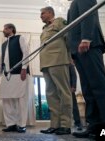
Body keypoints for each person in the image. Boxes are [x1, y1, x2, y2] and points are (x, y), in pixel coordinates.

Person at [67, 0, 105, 138]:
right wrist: (72, 51)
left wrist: (86, 38)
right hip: (77, 48)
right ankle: (94, 126)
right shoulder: (73, 3)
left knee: (99, 85)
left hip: (88, 44)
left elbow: (88, 14)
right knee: (87, 88)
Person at [39, 7, 72, 135]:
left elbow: (68, 38)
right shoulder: (44, 29)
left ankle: (66, 125)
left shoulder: (59, 22)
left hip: (58, 59)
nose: (40, 16)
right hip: (46, 63)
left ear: (50, 13)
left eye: (43, 13)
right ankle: (55, 125)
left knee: (63, 92)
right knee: (51, 94)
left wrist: (70, 56)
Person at [0, 23, 31, 133]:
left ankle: (21, 125)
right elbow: (1, 61)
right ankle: (11, 124)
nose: (3, 30)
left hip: (19, 73)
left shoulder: (20, 38)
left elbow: (26, 53)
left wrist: (24, 67)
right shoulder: (3, 44)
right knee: (6, 100)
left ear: (11, 29)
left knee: (21, 99)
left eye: (5, 28)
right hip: (6, 76)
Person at [69, 61, 83, 131]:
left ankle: (78, 123)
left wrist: (73, 86)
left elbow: (74, 75)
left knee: (74, 106)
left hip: (69, 88)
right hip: (61, 88)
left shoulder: (70, 63)